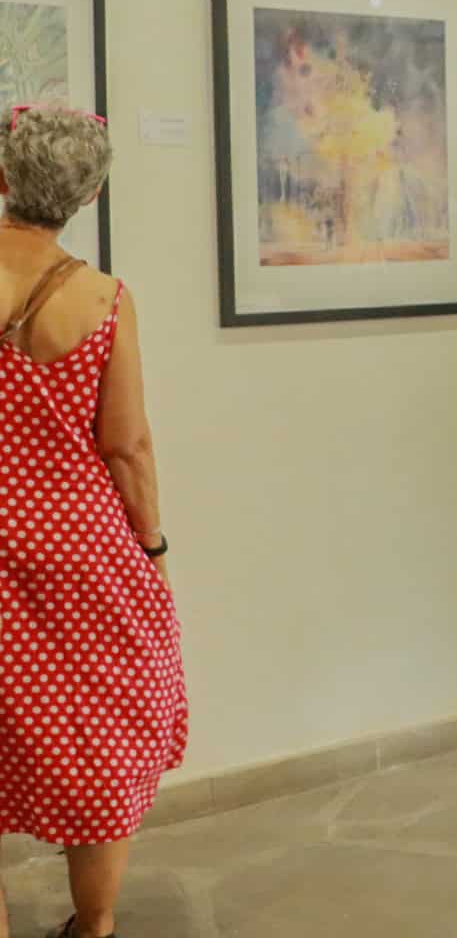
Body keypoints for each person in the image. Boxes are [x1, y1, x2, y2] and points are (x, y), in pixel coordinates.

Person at [0, 104, 188, 938]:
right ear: (89, 194)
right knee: (101, 732)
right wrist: (152, 544)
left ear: (3, 178)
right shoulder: (103, 298)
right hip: (78, 549)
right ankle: (96, 924)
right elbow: (127, 445)